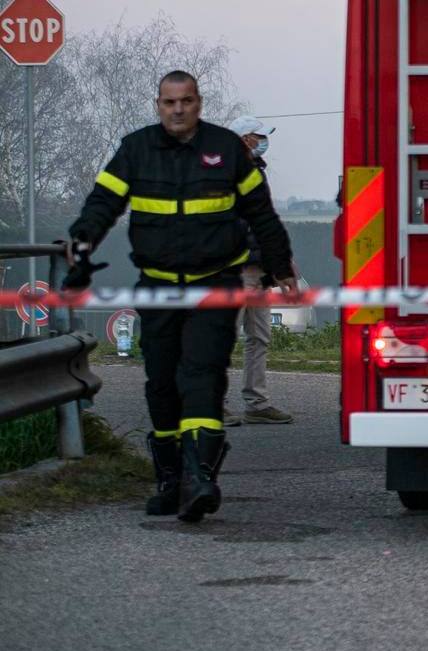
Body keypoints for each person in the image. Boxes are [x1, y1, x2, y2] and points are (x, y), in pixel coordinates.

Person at [67, 71, 295, 523]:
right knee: (161, 382)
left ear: (198, 103)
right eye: (169, 102)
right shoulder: (136, 149)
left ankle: (199, 479)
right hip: (158, 285)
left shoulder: (227, 149)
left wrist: (281, 265)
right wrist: (82, 243)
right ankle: (170, 480)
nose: (177, 110)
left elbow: (261, 213)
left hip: (215, 282)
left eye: (186, 101)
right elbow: (102, 202)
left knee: (203, 376)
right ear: (158, 105)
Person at [222, 115, 294, 426]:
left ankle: (257, 402)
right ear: (243, 139)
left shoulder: (253, 171)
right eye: (257, 136)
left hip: (257, 271)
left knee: (259, 337)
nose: (263, 141)